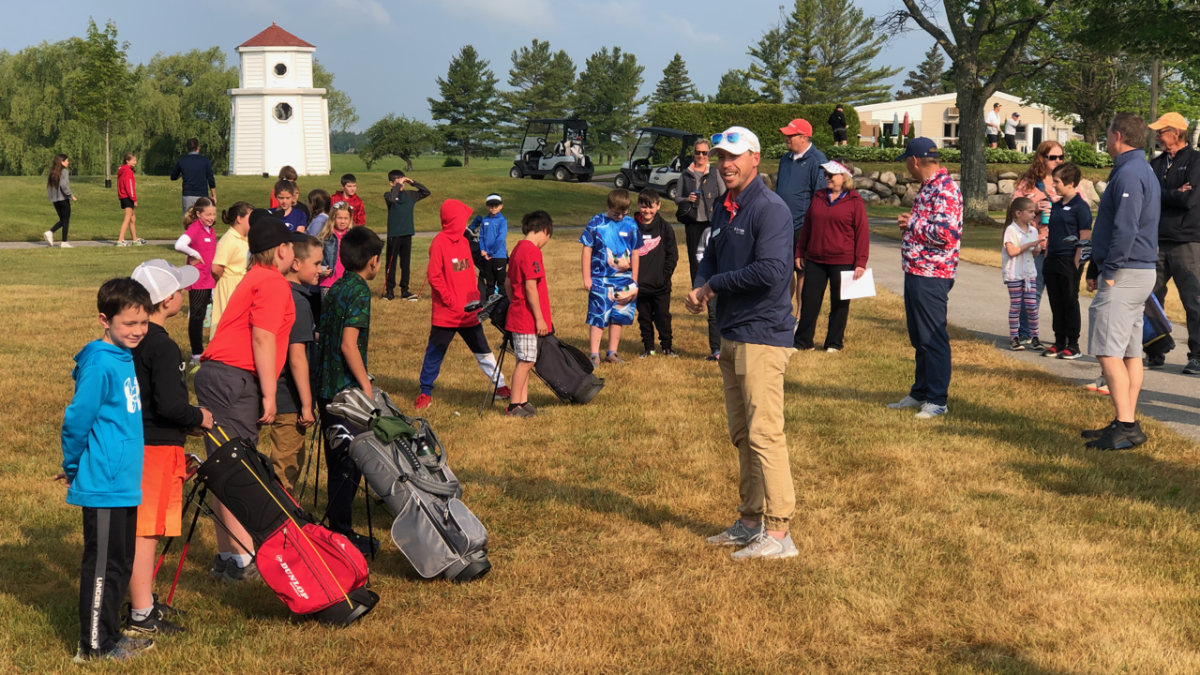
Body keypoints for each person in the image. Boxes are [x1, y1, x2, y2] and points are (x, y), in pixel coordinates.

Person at [684, 126, 797, 560]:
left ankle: (781, 533)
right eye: (720, 157)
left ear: (755, 157)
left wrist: (712, 287)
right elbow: (710, 256)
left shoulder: (771, 209)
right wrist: (700, 285)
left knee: (766, 434)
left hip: (763, 335)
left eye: (733, 157)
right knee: (743, 434)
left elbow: (771, 271)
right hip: (733, 334)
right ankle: (750, 522)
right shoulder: (725, 207)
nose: (725, 164)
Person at [195, 216, 304, 583]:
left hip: (218, 376)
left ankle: (227, 555)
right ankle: (245, 561)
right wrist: (270, 395)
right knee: (237, 470)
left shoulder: (253, 277)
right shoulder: (273, 282)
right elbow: (262, 337)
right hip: (235, 379)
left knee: (221, 468)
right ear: (283, 251)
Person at [57, 278, 152, 662]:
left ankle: (110, 635)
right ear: (104, 320)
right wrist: (73, 465)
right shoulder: (99, 362)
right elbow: (76, 420)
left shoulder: (124, 356)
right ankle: (93, 647)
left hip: (124, 483)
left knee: (120, 563)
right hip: (103, 483)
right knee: (102, 567)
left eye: (143, 322)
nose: (137, 331)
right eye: (129, 323)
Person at [126, 259, 213, 638]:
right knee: (146, 533)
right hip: (156, 449)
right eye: (178, 290)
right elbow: (169, 405)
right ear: (165, 301)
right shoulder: (163, 346)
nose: (183, 294)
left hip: (140, 444)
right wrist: (199, 416)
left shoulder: (131, 340)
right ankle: (141, 613)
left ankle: (141, 600)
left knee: (144, 531)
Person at [1081, 113, 1160, 451]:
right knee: (1129, 351)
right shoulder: (1141, 169)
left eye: (1108, 134)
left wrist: (1109, 270)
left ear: (1116, 135)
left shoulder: (1129, 172)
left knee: (1106, 349)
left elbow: (1126, 227)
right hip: (1138, 269)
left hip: (1126, 271)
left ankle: (1126, 425)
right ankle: (1125, 420)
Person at [315, 226, 384, 554]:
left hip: (325, 387)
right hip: (344, 392)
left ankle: (337, 526)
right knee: (348, 465)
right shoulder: (359, 291)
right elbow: (348, 344)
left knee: (337, 462)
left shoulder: (337, 286)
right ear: (373, 262)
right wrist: (366, 385)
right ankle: (340, 533)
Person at [888, 137, 963, 419]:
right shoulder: (930, 187)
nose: (907, 166)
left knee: (932, 336)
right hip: (918, 269)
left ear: (915, 160)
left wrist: (912, 223)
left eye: (907, 161)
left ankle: (937, 399)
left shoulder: (945, 189)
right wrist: (913, 228)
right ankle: (920, 390)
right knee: (919, 335)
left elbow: (946, 234)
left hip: (933, 273)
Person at [414, 199, 510, 410]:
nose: (465, 223)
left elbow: (467, 273)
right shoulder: (439, 243)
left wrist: (476, 297)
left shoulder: (465, 242)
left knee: (483, 350)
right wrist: (449, 300)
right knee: (435, 352)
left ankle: (501, 386)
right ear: (452, 221)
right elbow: (434, 276)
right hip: (446, 313)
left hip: (469, 311)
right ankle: (425, 391)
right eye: (462, 219)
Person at [793, 159, 870, 353]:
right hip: (815, 258)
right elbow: (807, 226)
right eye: (826, 174)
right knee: (809, 300)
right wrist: (800, 251)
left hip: (843, 260)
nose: (826, 177)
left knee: (840, 302)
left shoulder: (855, 201)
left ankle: (834, 343)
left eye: (831, 175)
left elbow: (862, 233)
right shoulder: (818, 196)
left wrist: (860, 262)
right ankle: (803, 341)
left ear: (844, 178)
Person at [1148, 112, 1200, 374]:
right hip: (1156, 239)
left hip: (1187, 241)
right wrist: (1172, 194)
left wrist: (1164, 195)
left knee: (1194, 300)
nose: (1157, 136)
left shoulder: (1196, 161)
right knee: (1151, 298)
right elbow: (1149, 196)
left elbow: (1188, 200)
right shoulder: (1156, 163)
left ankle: (1198, 356)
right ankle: (1154, 350)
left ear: (1176, 133)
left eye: (1161, 131)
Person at [270, 235, 321, 494]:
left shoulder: (275, 289)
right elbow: (297, 356)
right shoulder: (299, 301)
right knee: (286, 468)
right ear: (297, 263)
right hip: (288, 397)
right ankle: (280, 524)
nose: (321, 270)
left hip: (270, 389)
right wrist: (307, 405)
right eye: (317, 263)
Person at [1011, 140, 1065, 346]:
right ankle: (1025, 333)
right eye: (1053, 157)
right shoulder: (1027, 183)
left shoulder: (1069, 181)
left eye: (1061, 157)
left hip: (1062, 245)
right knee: (1032, 291)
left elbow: (1082, 206)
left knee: (1061, 295)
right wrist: (1035, 208)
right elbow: (1013, 209)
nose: (1058, 161)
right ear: (1041, 158)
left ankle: (1063, 339)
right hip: (1037, 246)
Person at [675, 139, 725, 360]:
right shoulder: (685, 174)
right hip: (694, 222)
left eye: (705, 153)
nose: (701, 156)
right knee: (697, 259)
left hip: (713, 222)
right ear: (693, 154)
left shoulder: (715, 173)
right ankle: (699, 290)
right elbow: (676, 197)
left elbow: (724, 195)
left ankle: (714, 286)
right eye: (698, 153)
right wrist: (687, 198)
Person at [581, 189, 640, 366]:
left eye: (624, 213)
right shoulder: (596, 222)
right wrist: (586, 277)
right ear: (608, 206)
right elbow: (587, 249)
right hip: (600, 279)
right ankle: (594, 355)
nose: (621, 216)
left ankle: (612, 353)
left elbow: (636, 253)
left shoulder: (631, 224)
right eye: (616, 213)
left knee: (619, 316)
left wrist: (635, 281)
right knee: (598, 315)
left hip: (624, 281)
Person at [504, 211, 554, 418]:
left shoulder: (517, 248)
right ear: (544, 231)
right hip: (526, 317)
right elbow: (531, 286)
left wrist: (514, 300)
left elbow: (508, 283)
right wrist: (539, 317)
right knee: (526, 362)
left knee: (525, 359)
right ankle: (514, 405)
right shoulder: (532, 252)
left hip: (519, 312)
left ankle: (523, 401)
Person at [776, 119, 828, 312]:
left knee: (802, 270)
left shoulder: (818, 160)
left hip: (803, 226)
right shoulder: (785, 159)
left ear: (804, 137)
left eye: (790, 135)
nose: (786, 138)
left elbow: (820, 196)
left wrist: (812, 229)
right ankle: (782, 311)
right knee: (783, 269)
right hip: (782, 225)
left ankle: (800, 315)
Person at [1043, 163, 1092, 359]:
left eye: (1057, 181)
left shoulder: (1081, 207)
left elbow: (1085, 237)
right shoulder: (1055, 206)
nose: (1054, 185)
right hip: (1052, 259)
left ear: (1070, 183)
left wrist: (1079, 262)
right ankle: (1059, 341)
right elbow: (1051, 232)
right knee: (1056, 302)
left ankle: (1073, 344)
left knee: (1070, 301)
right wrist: (1047, 254)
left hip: (1069, 260)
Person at [633, 189, 678, 357]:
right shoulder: (631, 227)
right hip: (640, 286)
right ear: (638, 205)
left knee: (663, 317)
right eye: (644, 207)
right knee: (644, 318)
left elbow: (672, 255)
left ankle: (667, 346)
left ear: (658, 206)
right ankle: (648, 348)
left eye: (651, 207)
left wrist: (664, 277)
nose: (647, 211)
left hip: (661, 286)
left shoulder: (665, 228)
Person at [175, 198, 219, 364]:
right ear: (198, 214)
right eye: (208, 214)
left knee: (207, 316)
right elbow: (179, 245)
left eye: (213, 214)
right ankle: (196, 353)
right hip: (198, 280)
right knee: (197, 316)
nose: (211, 217)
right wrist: (195, 254)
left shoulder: (210, 230)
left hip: (210, 279)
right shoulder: (195, 228)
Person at [1002, 197, 1045, 351]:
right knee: (1016, 306)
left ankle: (1035, 337)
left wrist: (1037, 249)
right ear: (1019, 213)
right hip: (1014, 274)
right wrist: (1029, 245)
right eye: (1031, 211)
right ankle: (1015, 338)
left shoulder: (1033, 230)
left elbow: (1032, 255)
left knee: (1032, 306)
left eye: (1034, 211)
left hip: (1029, 275)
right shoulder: (1011, 230)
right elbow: (1012, 252)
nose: (1034, 214)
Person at [383, 169, 431, 301]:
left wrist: (413, 182)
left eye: (402, 180)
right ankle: (389, 290)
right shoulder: (388, 194)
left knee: (405, 263)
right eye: (398, 181)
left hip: (407, 232)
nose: (401, 183)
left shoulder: (410, 195)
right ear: (391, 183)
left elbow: (426, 192)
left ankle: (405, 290)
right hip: (394, 233)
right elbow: (392, 199)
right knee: (391, 263)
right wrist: (398, 185)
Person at [209, 202, 254, 336]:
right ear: (239, 219)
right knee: (229, 323)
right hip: (230, 286)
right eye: (250, 217)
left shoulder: (244, 238)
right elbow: (216, 268)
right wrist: (226, 280)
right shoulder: (229, 239)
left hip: (241, 285)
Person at [471, 194, 509, 300]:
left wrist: (491, 252)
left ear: (501, 206)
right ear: (487, 206)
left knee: (501, 281)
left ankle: (502, 303)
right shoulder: (485, 220)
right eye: (491, 205)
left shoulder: (502, 220)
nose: (493, 208)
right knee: (489, 282)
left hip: (498, 256)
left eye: (496, 205)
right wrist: (483, 250)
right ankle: (489, 304)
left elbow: (500, 239)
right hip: (486, 256)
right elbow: (481, 236)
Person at [170, 138, 216, 216]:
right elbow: (210, 178)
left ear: (188, 148)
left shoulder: (182, 161)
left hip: (188, 195)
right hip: (202, 194)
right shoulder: (205, 161)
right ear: (198, 148)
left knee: (188, 221)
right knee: (203, 220)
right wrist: (213, 195)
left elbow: (173, 177)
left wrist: (180, 175)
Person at [318, 202, 354, 296]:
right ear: (333, 218)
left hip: (347, 283)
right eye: (339, 218)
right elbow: (314, 257)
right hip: (328, 283)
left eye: (346, 218)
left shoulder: (353, 237)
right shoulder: (324, 237)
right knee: (328, 310)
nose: (343, 221)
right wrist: (320, 269)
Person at [44, 153, 76, 248]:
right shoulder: (64, 172)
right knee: (65, 220)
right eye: (66, 161)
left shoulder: (52, 172)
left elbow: (50, 187)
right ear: (62, 162)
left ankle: (51, 233)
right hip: (63, 199)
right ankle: (63, 241)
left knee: (62, 220)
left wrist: (52, 198)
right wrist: (71, 196)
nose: (68, 162)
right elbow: (64, 185)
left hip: (55, 200)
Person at [117, 153, 144, 247]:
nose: (135, 162)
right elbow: (129, 186)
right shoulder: (127, 171)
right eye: (133, 160)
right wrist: (134, 199)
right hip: (127, 197)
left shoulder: (122, 170)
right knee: (127, 218)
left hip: (123, 196)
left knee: (133, 219)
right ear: (127, 161)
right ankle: (120, 241)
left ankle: (135, 240)